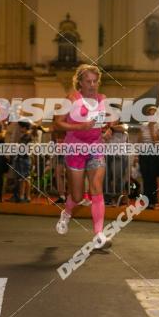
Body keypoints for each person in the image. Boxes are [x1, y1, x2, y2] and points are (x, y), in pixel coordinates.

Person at [54, 64, 112, 246]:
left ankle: (99, 235)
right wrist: (80, 127)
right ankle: (67, 213)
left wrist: (106, 130)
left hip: (95, 148)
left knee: (96, 187)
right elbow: (58, 124)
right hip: (75, 148)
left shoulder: (102, 99)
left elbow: (103, 123)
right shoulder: (72, 99)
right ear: (80, 82)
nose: (92, 85)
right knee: (77, 196)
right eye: (88, 81)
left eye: (95, 81)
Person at [138, 105, 159, 209]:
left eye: (154, 114)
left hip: (153, 153)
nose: (152, 116)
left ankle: (153, 201)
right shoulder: (143, 125)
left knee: (152, 177)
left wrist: (152, 127)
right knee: (145, 176)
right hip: (143, 153)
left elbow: (156, 140)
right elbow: (139, 140)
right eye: (150, 114)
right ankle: (145, 200)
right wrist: (136, 155)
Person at [12, 121, 33, 203]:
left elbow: (23, 148)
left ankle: (22, 196)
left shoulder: (26, 136)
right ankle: (27, 196)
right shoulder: (28, 136)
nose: (20, 129)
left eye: (21, 127)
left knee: (23, 178)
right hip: (26, 158)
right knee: (26, 178)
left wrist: (17, 146)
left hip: (23, 158)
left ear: (24, 127)